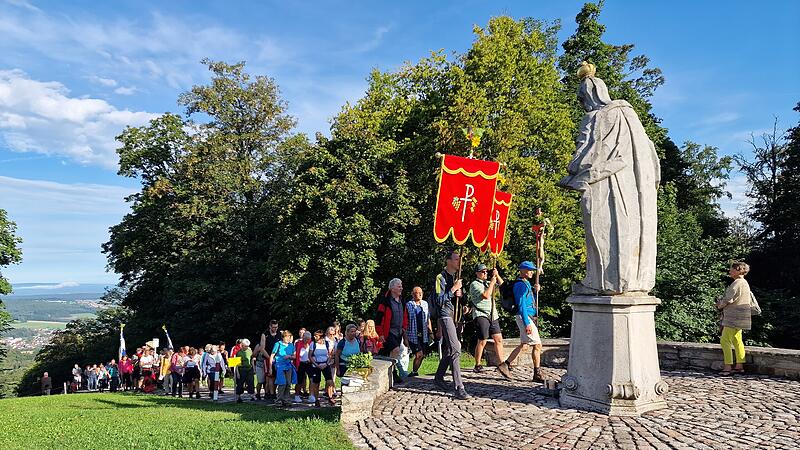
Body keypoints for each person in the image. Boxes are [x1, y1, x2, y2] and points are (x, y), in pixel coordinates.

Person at [432, 250, 470, 400]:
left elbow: (462, 298)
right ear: (448, 261)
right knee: (456, 348)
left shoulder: (457, 278)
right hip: (445, 315)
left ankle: (439, 378)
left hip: (456, 317)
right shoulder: (440, 278)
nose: (459, 262)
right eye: (456, 259)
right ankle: (459, 387)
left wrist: (462, 297)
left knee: (449, 349)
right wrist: (453, 289)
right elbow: (439, 301)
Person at [469, 264, 512, 379]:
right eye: (482, 272)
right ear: (477, 273)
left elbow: (503, 286)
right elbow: (486, 295)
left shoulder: (488, 283)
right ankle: (477, 364)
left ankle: (502, 364)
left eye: (486, 272)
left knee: (498, 339)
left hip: (493, 314)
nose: (485, 273)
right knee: (482, 340)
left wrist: (497, 276)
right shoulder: (474, 284)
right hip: (481, 314)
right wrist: (492, 282)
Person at [505, 261, 544, 382]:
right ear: (522, 271)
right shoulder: (520, 285)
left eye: (532, 270)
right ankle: (537, 373)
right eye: (529, 270)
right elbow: (521, 304)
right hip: (524, 317)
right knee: (537, 345)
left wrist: (535, 291)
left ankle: (505, 365)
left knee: (524, 345)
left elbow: (529, 300)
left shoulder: (526, 283)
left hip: (526, 316)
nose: (532, 272)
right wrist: (527, 323)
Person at [716, 261, 754, 376]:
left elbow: (728, 299)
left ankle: (728, 367)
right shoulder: (745, 283)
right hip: (741, 317)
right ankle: (739, 366)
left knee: (725, 340)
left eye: (732, 269)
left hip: (733, 317)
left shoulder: (737, 283)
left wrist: (719, 305)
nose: (730, 271)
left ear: (739, 270)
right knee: (737, 340)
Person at [376, 278, 408, 383]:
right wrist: (380, 333)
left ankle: (389, 373)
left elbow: (405, 316)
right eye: (399, 286)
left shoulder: (402, 301)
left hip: (398, 332)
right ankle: (393, 373)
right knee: (396, 350)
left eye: (401, 286)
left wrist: (404, 327)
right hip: (388, 332)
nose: (401, 288)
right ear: (392, 288)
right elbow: (379, 319)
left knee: (391, 353)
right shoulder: (385, 301)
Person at [405, 287, 432, 377]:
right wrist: (405, 337)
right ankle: (413, 372)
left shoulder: (425, 304)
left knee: (422, 355)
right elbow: (406, 321)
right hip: (412, 334)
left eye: (421, 292)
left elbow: (428, 319)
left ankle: (414, 372)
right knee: (419, 354)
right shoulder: (409, 305)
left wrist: (431, 332)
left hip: (423, 334)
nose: (419, 294)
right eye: (417, 293)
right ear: (413, 294)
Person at [270, 330, 297, 407]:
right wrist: (270, 368)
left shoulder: (291, 345)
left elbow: (294, 356)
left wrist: (289, 357)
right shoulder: (278, 344)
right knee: (282, 383)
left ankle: (286, 400)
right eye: (287, 337)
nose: (289, 338)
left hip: (288, 365)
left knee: (288, 383)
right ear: (283, 337)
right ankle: (279, 400)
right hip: (279, 366)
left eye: (289, 337)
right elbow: (272, 355)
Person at [309, 330, 335, 407]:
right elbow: (310, 356)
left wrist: (327, 363)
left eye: (316, 336)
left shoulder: (327, 344)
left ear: (321, 337)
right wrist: (316, 365)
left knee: (329, 381)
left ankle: (330, 397)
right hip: (316, 365)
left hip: (325, 364)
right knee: (316, 383)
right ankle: (317, 400)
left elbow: (330, 354)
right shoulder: (313, 344)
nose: (314, 337)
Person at [294, 331, 313, 403]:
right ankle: (297, 395)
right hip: (301, 363)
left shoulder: (311, 343)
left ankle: (311, 395)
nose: (306, 340)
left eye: (308, 339)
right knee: (299, 380)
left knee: (311, 379)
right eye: (305, 338)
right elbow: (296, 354)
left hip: (309, 363)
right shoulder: (298, 344)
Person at [264, 320, 281, 400]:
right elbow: (262, 348)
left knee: (277, 376)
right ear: (270, 326)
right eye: (273, 327)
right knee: (270, 376)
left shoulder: (280, 334)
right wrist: (270, 358)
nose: (275, 329)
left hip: (278, 358)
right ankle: (271, 393)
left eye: (276, 327)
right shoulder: (265, 335)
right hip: (268, 357)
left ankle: (273, 391)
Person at [235, 338, 254, 403]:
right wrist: (237, 373)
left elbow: (251, 360)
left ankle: (252, 395)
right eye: (246, 346)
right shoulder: (238, 353)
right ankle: (239, 397)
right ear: (242, 345)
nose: (247, 347)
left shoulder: (250, 351)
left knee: (251, 382)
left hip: (249, 369)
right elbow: (237, 364)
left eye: (248, 346)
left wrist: (253, 368)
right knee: (240, 383)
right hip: (241, 369)